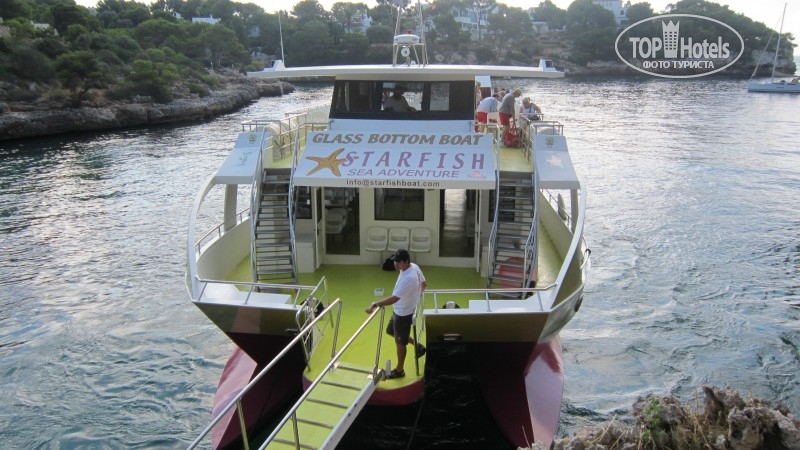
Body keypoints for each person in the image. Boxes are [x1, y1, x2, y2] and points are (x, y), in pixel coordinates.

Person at [365, 249, 427, 379]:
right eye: (395, 261)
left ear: (406, 261)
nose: (395, 264)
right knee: (391, 331)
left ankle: (400, 370)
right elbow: (424, 284)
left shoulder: (408, 278)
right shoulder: (414, 267)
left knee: (400, 343)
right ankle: (417, 346)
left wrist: (375, 304)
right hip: (400, 310)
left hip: (403, 314)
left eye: (398, 262)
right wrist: (417, 295)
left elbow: (394, 299)